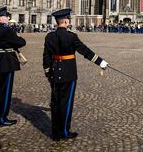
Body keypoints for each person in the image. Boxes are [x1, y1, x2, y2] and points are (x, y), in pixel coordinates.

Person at [43, 8, 108, 141]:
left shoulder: (49, 36)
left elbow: (46, 57)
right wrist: (101, 62)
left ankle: (55, 133)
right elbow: (85, 51)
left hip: (55, 72)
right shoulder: (71, 37)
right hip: (68, 73)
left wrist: (48, 73)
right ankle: (64, 132)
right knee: (66, 104)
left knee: (55, 103)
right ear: (66, 21)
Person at [0, 7, 26, 127]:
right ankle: (1, 118)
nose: (8, 18)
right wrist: (17, 36)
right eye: (5, 16)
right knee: (5, 92)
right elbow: (22, 42)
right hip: (6, 63)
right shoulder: (6, 30)